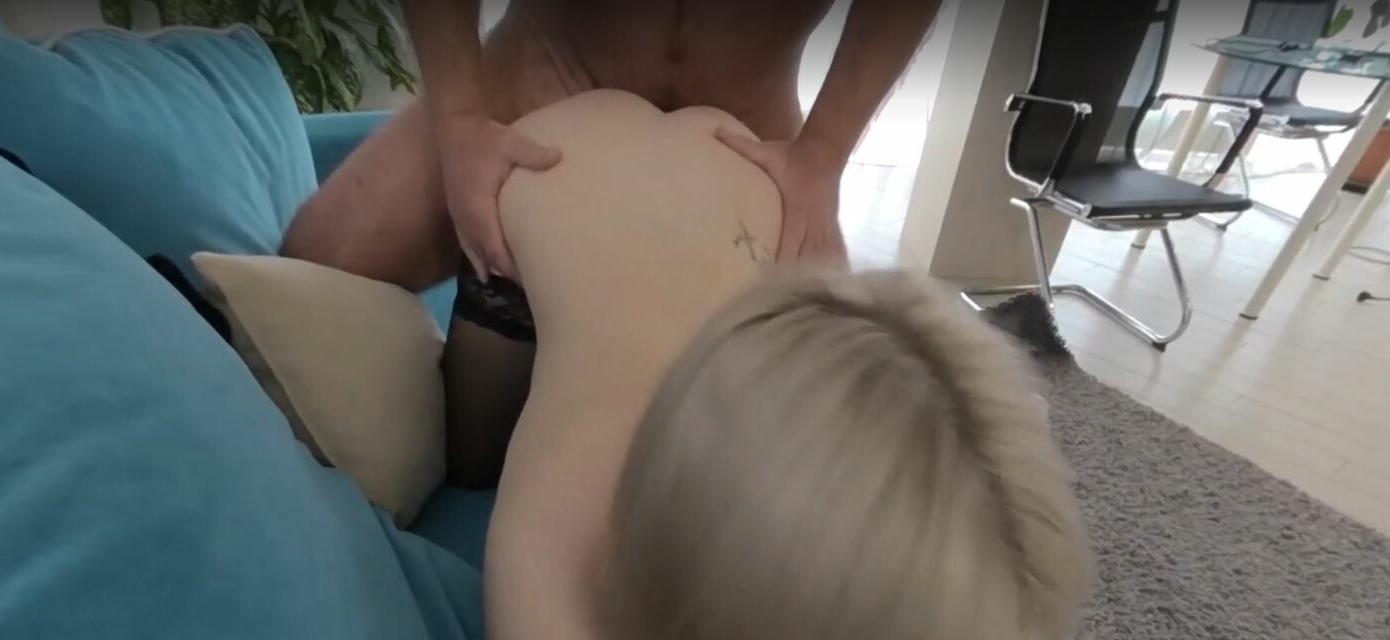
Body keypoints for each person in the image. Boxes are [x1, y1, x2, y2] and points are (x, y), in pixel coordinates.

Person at [474, 89, 1093, 640]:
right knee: (456, 444)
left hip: (744, 171)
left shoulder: (906, 550)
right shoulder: (557, 525)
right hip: (546, 155)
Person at [282, 0, 944, 487]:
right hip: (531, 87)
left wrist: (823, 153)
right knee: (309, 275)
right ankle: (511, 332)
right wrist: (457, 122)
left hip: (746, 134)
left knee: (833, 452)